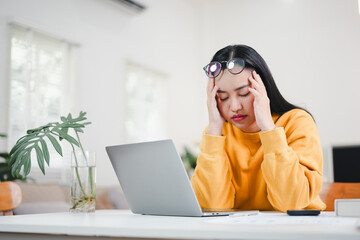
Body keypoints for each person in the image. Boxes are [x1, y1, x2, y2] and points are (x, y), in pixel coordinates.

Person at [190, 44, 326, 212]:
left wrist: (268, 129)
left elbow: (292, 203)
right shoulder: (216, 133)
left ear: (263, 88)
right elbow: (212, 206)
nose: (234, 106)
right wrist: (214, 129)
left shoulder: (297, 122)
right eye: (223, 97)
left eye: (244, 94)